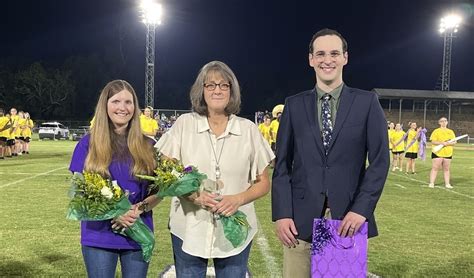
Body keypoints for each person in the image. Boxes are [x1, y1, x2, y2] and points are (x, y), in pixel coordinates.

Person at [271, 28, 389, 277]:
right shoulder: (294, 104)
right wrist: (281, 214)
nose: (328, 60)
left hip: (347, 219)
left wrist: (361, 209)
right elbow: (281, 165)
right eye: (321, 53)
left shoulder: (367, 103)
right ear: (311, 59)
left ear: (345, 57)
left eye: (334, 53)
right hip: (298, 221)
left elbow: (379, 162)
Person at [155, 61, 274, 278]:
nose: (217, 90)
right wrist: (192, 195)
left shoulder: (248, 129)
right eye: (210, 85)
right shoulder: (184, 124)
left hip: (235, 229)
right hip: (188, 226)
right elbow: (165, 173)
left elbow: (264, 182)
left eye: (223, 85)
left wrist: (238, 199)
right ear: (201, 90)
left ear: (232, 90)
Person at [69, 80, 160, 277]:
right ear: (105, 105)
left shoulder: (149, 145)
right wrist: (114, 213)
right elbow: (80, 193)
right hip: (99, 235)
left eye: (128, 102)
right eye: (116, 101)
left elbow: (160, 190)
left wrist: (139, 209)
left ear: (135, 107)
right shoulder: (87, 144)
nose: (122, 107)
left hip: (138, 232)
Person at [428, 117, 456, 189]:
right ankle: (431, 183)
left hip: (448, 153)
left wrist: (447, 144)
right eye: (442, 121)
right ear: (439, 123)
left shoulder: (450, 131)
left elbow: (454, 142)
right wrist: (442, 143)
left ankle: (447, 184)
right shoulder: (436, 131)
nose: (444, 122)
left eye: (445, 121)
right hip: (437, 152)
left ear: (447, 122)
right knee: (435, 168)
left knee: (446, 169)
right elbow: (433, 141)